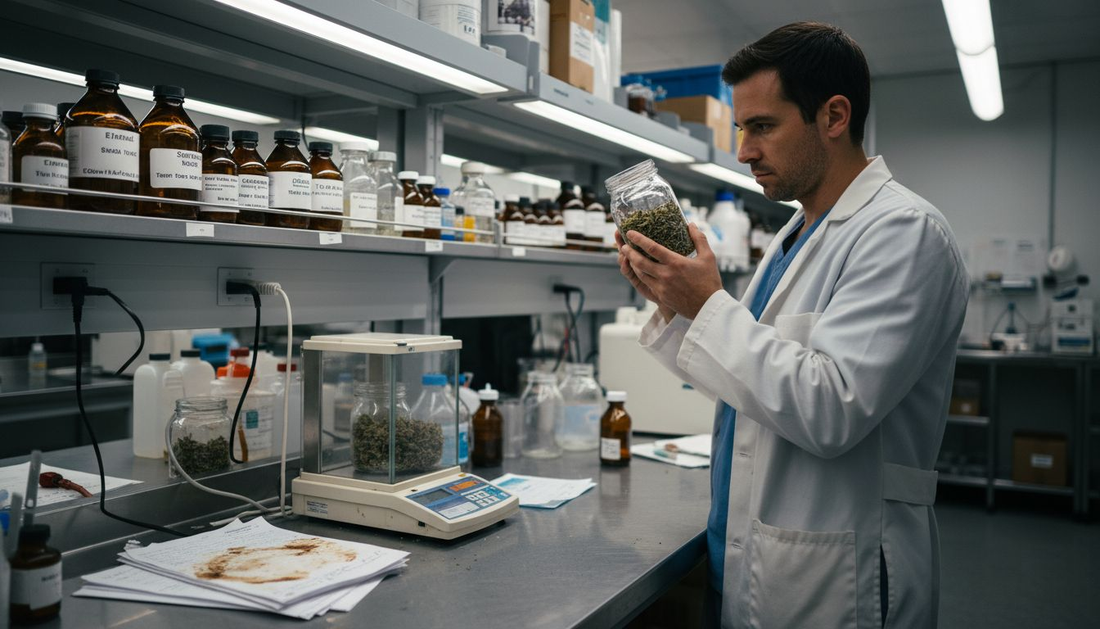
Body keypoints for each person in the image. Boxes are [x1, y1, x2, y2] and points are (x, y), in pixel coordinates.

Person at [616, 22, 968, 629]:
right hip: (753, 548)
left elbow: (831, 407)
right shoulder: (794, 235)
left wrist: (707, 307)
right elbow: (749, 387)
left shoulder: (905, 233)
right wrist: (673, 303)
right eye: (741, 129)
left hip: (841, 568)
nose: (745, 151)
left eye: (762, 127)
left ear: (833, 116)